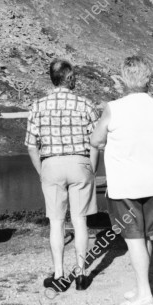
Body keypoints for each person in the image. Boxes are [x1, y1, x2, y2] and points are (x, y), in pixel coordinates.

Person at [90, 56, 153, 305]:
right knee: (144, 236)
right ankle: (142, 286)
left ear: (123, 79)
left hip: (125, 185)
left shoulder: (114, 107)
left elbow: (96, 140)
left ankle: (145, 296)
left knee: (133, 240)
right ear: (148, 78)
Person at [25, 59, 99, 292]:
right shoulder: (85, 104)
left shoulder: (37, 106)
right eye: (74, 75)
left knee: (56, 222)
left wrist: (41, 171)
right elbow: (96, 142)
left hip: (51, 164)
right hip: (80, 162)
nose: (76, 78)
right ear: (67, 78)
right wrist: (92, 167)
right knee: (80, 220)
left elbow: (31, 145)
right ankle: (81, 274)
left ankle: (59, 275)